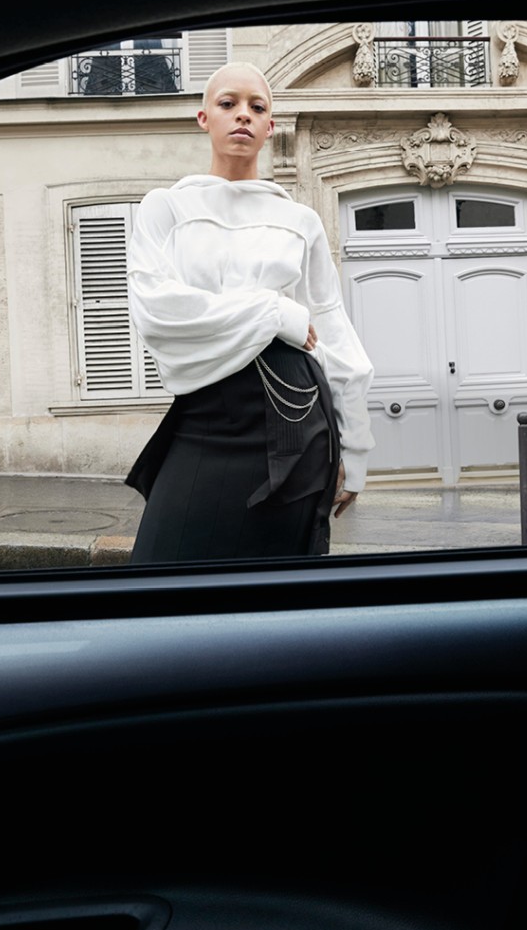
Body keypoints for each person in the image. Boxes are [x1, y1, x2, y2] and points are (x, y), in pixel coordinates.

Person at [125, 63, 374, 562]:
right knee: (160, 570)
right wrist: (275, 312)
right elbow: (157, 311)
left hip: (296, 417)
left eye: (257, 107)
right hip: (204, 419)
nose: (243, 115)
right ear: (204, 118)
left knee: (275, 586)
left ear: (270, 127)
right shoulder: (165, 208)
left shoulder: (300, 220)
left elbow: (333, 331)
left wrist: (356, 450)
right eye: (228, 103)